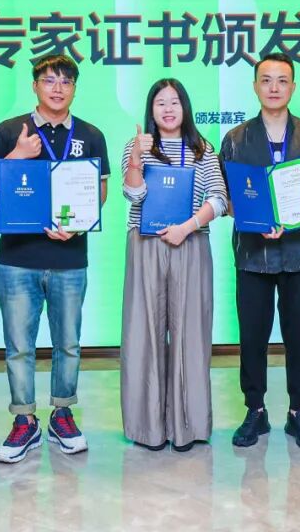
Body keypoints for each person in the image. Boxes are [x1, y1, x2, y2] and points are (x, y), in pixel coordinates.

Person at [0, 54, 110, 464]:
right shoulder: (9, 130)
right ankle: (24, 420)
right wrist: (16, 155)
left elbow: (100, 192)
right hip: (17, 259)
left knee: (68, 343)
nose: (57, 88)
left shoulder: (91, 134)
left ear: (74, 89)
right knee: (19, 346)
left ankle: (62, 414)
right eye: (49, 80)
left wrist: (79, 225)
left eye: (66, 81)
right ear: (34, 85)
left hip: (70, 258)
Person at [219, 52, 300, 451]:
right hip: (252, 255)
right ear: (255, 86)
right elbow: (226, 198)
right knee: (252, 337)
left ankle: (298, 412)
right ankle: (255, 410)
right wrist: (247, 213)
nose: (274, 87)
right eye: (266, 80)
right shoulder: (235, 139)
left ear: (293, 87)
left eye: (282, 80)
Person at [120, 79, 228, 452]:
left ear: (185, 108)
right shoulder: (136, 146)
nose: (168, 109)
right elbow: (133, 194)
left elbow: (219, 198)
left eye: (175, 102)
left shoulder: (203, 149)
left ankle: (188, 427)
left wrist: (187, 227)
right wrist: (136, 158)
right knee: (144, 333)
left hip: (190, 243)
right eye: (160, 103)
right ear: (151, 110)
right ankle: (148, 427)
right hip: (146, 245)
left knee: (190, 334)